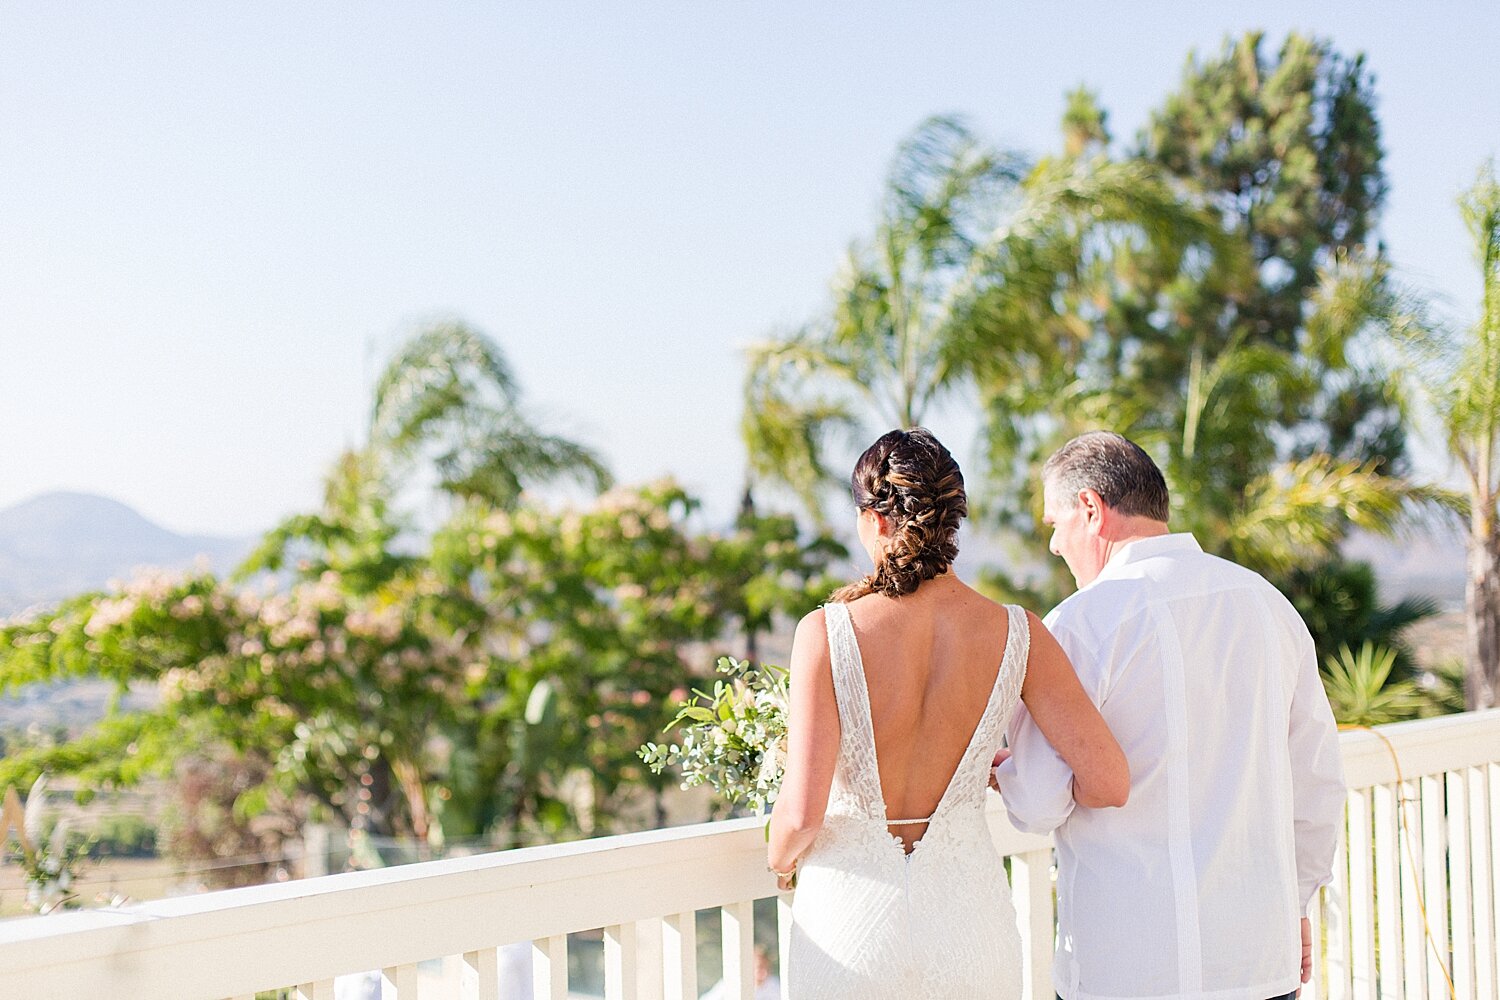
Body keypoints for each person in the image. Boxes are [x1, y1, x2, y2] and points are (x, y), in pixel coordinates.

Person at [767, 428, 1129, 1000]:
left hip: (851, 927)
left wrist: (779, 861)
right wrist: (1004, 772)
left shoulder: (827, 632)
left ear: (877, 519)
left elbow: (800, 818)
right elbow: (1109, 781)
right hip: (969, 927)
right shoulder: (1020, 632)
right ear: (951, 522)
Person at [995, 431, 1346, 1000]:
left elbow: (1036, 805)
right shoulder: (1267, 605)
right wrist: (1298, 902)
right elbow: (1318, 782)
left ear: (1091, 510)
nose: (1056, 545)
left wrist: (1005, 769)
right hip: (1261, 965)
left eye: (1054, 523)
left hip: (1127, 971)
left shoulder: (1079, 626)